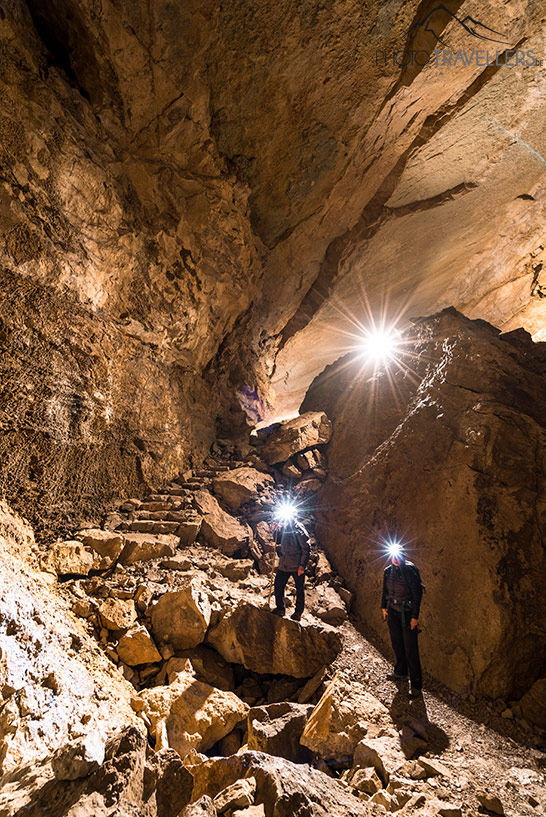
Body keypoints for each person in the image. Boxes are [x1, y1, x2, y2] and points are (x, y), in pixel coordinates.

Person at [381, 545, 423, 698]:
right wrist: (383, 607)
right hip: (393, 612)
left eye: (398, 557)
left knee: (411, 649)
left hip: (407, 614)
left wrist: (415, 617)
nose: (395, 560)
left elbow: (417, 595)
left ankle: (416, 684)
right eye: (393, 556)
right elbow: (384, 591)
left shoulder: (410, 571)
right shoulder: (388, 571)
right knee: (397, 644)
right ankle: (401, 672)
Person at [272, 514, 311, 622]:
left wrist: (302, 565)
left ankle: (298, 612)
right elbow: (277, 540)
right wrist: (276, 530)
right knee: (278, 585)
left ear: (295, 517)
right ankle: (280, 608)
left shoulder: (299, 529)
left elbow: (306, 548)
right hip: (284, 563)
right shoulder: (285, 528)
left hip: (296, 565)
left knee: (299, 589)